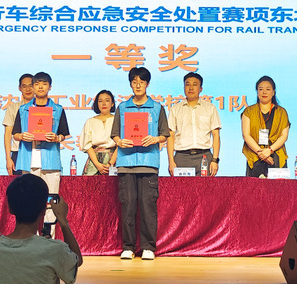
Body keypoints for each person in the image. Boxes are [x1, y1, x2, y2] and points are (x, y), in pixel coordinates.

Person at [0, 173, 81, 284]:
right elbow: (76, 260)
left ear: (10, 208)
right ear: (44, 210)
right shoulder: (54, 250)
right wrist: (63, 220)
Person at [111, 67, 169, 260]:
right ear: (130, 84)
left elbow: (164, 134)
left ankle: (148, 247)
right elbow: (115, 134)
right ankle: (128, 246)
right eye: (134, 82)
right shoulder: (122, 107)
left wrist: (155, 139)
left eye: (141, 82)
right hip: (126, 162)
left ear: (147, 84)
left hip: (148, 162)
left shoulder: (157, 108)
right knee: (128, 206)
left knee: (147, 206)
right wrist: (119, 142)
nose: (138, 85)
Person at [12, 71, 69, 231]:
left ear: (50, 87)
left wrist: (56, 138)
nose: (40, 87)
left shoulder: (57, 109)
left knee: (51, 200)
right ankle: (30, 235)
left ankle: (48, 235)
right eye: (37, 84)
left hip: (50, 161)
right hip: (29, 160)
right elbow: (15, 134)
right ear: (33, 87)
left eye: (44, 84)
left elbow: (63, 133)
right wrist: (22, 136)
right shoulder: (23, 109)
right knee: (29, 200)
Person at [167, 72, 221, 177]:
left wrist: (215, 160)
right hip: (182, 157)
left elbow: (216, 135)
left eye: (194, 84)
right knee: (181, 188)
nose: (191, 88)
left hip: (204, 157)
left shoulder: (210, 108)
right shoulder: (175, 109)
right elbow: (170, 136)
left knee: (205, 187)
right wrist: (171, 161)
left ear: (201, 89)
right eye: (187, 84)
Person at [241, 75, 291, 178]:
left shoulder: (281, 112)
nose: (264, 92)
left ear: (273, 92)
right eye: (261, 89)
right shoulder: (248, 111)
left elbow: (284, 136)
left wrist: (269, 150)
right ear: (257, 92)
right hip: (255, 156)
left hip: (276, 156)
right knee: (255, 187)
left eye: (268, 89)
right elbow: (246, 135)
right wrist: (261, 153)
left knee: (278, 187)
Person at [79, 90, 118, 175]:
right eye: (100, 101)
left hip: (113, 160)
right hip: (94, 161)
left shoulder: (118, 120)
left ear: (112, 104)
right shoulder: (90, 121)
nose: (104, 104)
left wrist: (110, 164)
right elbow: (87, 145)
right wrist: (97, 164)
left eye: (107, 100)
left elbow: (120, 145)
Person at [2, 73, 35, 175]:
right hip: (18, 153)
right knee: (19, 184)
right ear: (19, 88)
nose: (28, 89)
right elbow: (8, 134)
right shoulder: (13, 108)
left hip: (38, 153)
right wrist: (8, 158)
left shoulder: (43, 108)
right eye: (24, 86)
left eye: (30, 86)